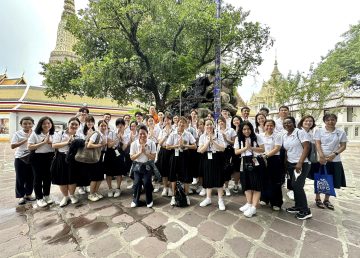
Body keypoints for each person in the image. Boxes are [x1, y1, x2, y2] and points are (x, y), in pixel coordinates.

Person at [313, 113, 347, 210]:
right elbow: (317, 144)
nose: (330, 122)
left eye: (333, 120)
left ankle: (327, 199)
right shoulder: (319, 131)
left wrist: (334, 154)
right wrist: (321, 155)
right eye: (328, 120)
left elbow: (343, 146)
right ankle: (317, 198)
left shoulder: (340, 132)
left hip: (335, 159)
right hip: (321, 159)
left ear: (336, 121)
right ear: (324, 121)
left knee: (331, 179)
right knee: (319, 178)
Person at [282, 116, 312, 220]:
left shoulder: (300, 132)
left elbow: (307, 147)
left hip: (301, 164)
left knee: (298, 186)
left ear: (294, 123)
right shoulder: (285, 135)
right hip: (291, 164)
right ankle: (298, 206)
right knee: (294, 186)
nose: (287, 125)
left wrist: (300, 162)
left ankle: (305, 210)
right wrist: (285, 163)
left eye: (289, 123)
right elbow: (287, 150)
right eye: (285, 123)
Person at [235, 121, 265, 218]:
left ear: (251, 129)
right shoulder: (238, 138)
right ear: (241, 130)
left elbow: (262, 149)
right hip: (244, 161)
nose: (246, 131)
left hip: (255, 160)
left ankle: (253, 207)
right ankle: (248, 203)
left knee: (256, 184)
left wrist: (251, 148)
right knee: (246, 183)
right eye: (244, 129)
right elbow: (236, 152)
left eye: (248, 129)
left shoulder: (257, 137)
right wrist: (245, 148)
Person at [166, 116, 197, 206]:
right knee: (173, 176)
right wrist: (177, 145)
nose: (181, 124)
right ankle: (173, 196)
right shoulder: (173, 134)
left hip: (185, 156)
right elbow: (167, 146)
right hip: (175, 156)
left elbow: (194, 146)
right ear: (177, 123)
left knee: (186, 176)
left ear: (186, 124)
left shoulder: (188, 134)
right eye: (180, 122)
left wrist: (185, 145)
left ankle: (186, 195)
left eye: (183, 123)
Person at [52, 117, 81, 207]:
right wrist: (67, 142)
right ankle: (65, 196)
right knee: (62, 178)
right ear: (68, 124)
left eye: (76, 124)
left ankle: (72, 195)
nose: (74, 126)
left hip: (74, 158)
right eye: (72, 124)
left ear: (79, 126)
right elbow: (54, 145)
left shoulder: (79, 135)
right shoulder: (59, 134)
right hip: (62, 157)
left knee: (73, 177)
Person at [198, 119, 226, 210]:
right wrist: (208, 142)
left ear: (213, 126)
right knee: (208, 177)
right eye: (207, 125)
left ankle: (220, 200)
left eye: (210, 124)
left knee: (219, 178)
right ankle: (208, 198)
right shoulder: (202, 136)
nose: (209, 126)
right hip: (207, 157)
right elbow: (201, 150)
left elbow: (222, 149)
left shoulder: (219, 135)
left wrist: (213, 141)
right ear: (204, 126)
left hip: (217, 157)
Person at [28, 116, 55, 207]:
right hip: (37, 158)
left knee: (48, 178)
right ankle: (39, 198)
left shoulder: (54, 134)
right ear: (40, 124)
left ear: (51, 124)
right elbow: (30, 147)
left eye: (48, 123)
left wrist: (50, 142)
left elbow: (57, 146)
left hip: (50, 157)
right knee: (38, 178)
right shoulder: (35, 134)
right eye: (44, 123)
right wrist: (43, 142)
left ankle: (47, 195)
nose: (46, 125)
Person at [130, 125, 157, 208]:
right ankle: (135, 200)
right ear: (138, 134)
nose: (142, 135)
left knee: (147, 183)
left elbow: (153, 157)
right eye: (140, 133)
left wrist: (145, 152)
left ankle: (149, 200)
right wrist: (140, 152)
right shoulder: (134, 144)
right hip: (137, 166)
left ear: (147, 133)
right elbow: (132, 157)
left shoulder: (151, 143)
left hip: (147, 166)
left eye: (144, 133)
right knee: (137, 183)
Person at [259, 119, 283, 210]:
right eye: (267, 125)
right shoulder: (260, 135)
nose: (269, 127)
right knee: (264, 179)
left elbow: (277, 148)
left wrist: (266, 156)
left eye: (271, 125)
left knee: (275, 181)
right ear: (264, 126)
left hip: (274, 159)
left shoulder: (277, 135)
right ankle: (264, 198)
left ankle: (276, 202)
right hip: (262, 159)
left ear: (274, 126)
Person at [11, 116, 35, 205]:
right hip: (20, 158)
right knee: (20, 178)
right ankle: (21, 196)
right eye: (25, 123)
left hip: (31, 158)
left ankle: (28, 194)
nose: (27, 125)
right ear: (21, 124)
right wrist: (26, 139)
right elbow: (12, 146)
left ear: (33, 124)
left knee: (31, 177)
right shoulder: (17, 134)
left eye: (29, 123)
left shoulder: (35, 133)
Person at [105, 118, 130, 198]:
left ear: (124, 126)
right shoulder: (111, 133)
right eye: (118, 124)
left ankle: (118, 188)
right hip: (110, 153)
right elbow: (109, 145)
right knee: (109, 172)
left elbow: (123, 148)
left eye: (121, 124)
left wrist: (121, 139)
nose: (120, 126)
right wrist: (116, 139)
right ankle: (110, 189)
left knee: (119, 172)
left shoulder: (126, 135)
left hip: (119, 154)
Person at [87, 120, 108, 202]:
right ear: (98, 126)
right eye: (101, 126)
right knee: (94, 177)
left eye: (105, 126)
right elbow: (89, 145)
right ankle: (91, 194)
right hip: (95, 157)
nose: (103, 127)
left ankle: (96, 192)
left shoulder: (104, 134)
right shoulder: (96, 134)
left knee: (99, 176)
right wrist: (101, 145)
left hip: (101, 156)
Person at [76, 115, 96, 195]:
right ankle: (81, 186)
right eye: (88, 121)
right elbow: (80, 142)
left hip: (91, 153)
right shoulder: (80, 130)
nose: (90, 123)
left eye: (91, 121)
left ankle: (87, 185)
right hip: (82, 153)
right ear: (85, 122)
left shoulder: (95, 130)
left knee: (89, 170)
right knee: (81, 170)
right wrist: (88, 135)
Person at [217, 116, 237, 196]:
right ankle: (221, 187)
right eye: (219, 122)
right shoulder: (216, 131)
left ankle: (227, 187)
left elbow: (234, 142)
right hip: (219, 151)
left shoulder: (231, 130)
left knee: (227, 169)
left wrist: (226, 139)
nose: (220, 123)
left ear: (225, 121)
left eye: (222, 121)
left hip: (228, 151)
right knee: (220, 169)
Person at [156, 114, 174, 197]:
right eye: (165, 120)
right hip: (163, 151)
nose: (167, 122)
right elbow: (160, 143)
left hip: (172, 151)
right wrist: (167, 135)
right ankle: (165, 187)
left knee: (171, 170)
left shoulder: (175, 130)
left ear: (171, 120)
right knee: (164, 170)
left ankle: (170, 187)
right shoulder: (162, 131)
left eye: (169, 120)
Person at [230, 115, 243, 193]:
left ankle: (243, 184)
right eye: (234, 120)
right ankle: (235, 184)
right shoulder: (231, 130)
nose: (236, 122)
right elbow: (233, 141)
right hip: (234, 151)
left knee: (243, 168)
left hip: (243, 150)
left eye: (237, 120)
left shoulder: (244, 128)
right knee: (236, 168)